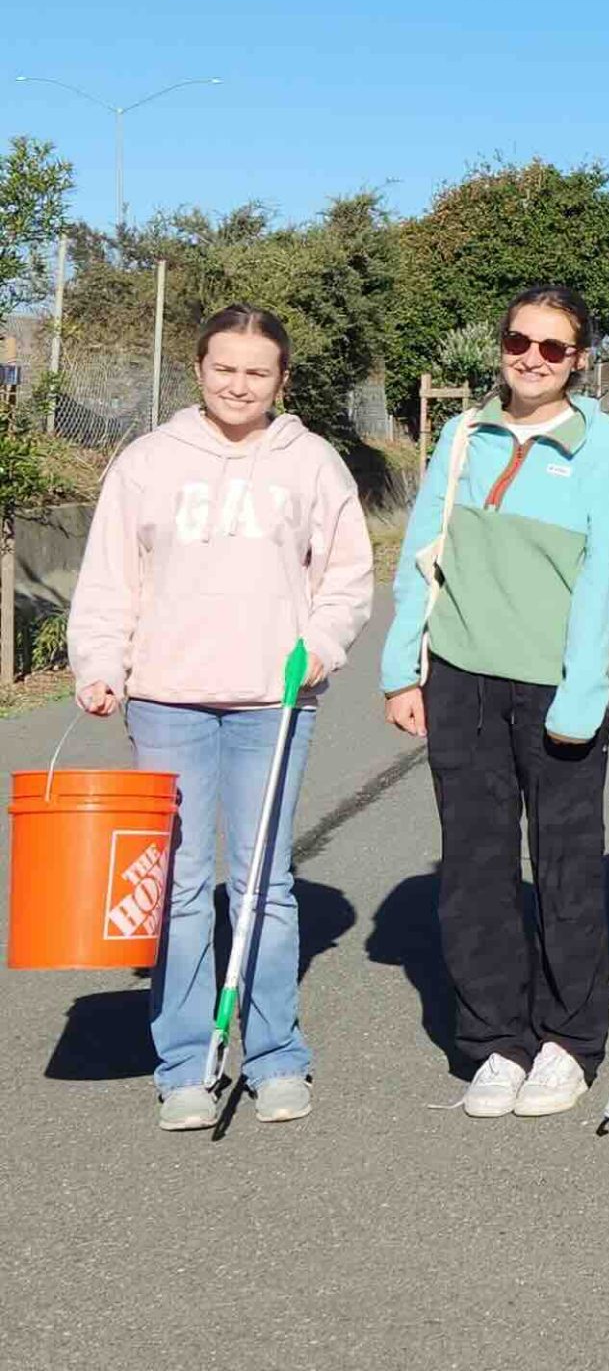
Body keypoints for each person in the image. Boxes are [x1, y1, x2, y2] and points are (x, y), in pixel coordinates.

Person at [68, 305, 374, 1130]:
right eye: (224, 368)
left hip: (271, 704)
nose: (239, 385)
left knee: (264, 884)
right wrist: (101, 665)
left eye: (258, 372)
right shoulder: (148, 462)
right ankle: (183, 1064)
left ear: (282, 380)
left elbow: (346, 576)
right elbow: (109, 578)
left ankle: (277, 1057)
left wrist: (318, 646)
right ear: (198, 370)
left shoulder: (310, 463)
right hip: (167, 699)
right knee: (179, 885)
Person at [381, 285, 609, 1120]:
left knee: (566, 868)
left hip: (556, 687)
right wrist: (400, 669)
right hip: (461, 678)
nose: (531, 358)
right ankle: (493, 1039)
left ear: (579, 360)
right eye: (518, 341)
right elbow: (423, 555)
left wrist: (585, 692)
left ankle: (570, 1037)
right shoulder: (461, 437)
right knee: (476, 866)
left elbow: (606, 579)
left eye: (553, 348)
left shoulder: (603, 447)